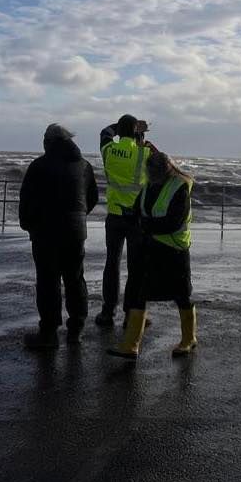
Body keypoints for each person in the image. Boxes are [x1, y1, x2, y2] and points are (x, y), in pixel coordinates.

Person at [17, 124, 99, 349]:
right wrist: (78, 218)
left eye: (45, 138)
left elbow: (26, 200)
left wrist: (28, 225)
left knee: (48, 281)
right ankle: (76, 330)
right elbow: (92, 197)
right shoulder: (84, 166)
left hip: (45, 233)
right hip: (75, 232)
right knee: (75, 279)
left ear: (50, 141)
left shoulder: (39, 166)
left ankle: (49, 334)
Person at [108, 151, 195, 360]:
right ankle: (130, 345)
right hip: (149, 247)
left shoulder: (179, 188)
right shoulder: (149, 186)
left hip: (174, 249)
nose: (150, 175)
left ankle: (188, 339)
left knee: (182, 295)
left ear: (165, 171)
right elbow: (140, 210)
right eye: (149, 172)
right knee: (139, 292)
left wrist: (143, 224)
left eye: (153, 172)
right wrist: (131, 215)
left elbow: (173, 222)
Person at [97, 115, 156, 327]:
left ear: (119, 132)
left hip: (114, 215)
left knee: (112, 264)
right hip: (137, 218)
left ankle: (108, 312)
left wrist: (124, 128)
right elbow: (163, 164)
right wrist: (141, 134)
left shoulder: (109, 150)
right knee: (135, 267)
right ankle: (131, 314)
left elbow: (105, 132)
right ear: (136, 132)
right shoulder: (144, 152)